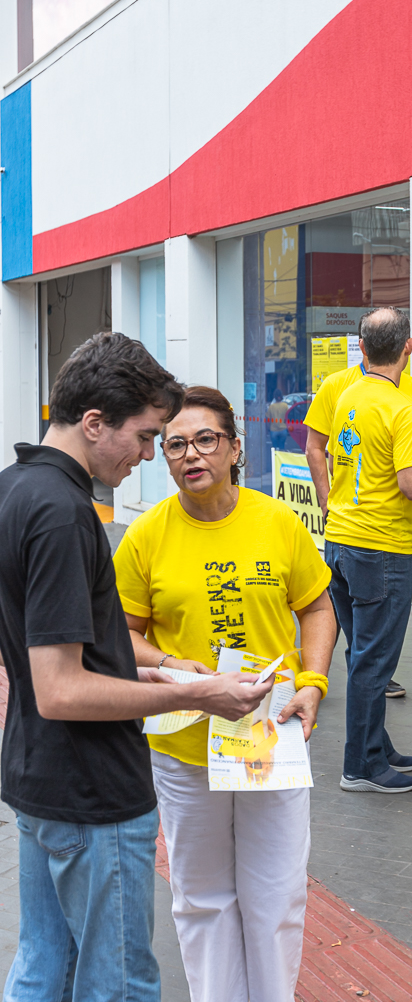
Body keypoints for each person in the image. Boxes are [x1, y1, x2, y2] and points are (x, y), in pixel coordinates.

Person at [0, 334, 272, 1002]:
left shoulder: (15, 488)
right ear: (94, 422)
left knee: (44, 967)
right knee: (117, 983)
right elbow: (60, 689)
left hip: (38, 777)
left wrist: (140, 673)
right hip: (92, 794)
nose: (153, 456)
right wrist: (203, 694)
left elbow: (45, 647)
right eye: (147, 437)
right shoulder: (63, 511)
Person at [115, 385, 337, 1002]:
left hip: (271, 742)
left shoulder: (278, 523)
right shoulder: (147, 535)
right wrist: (164, 660)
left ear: (235, 448)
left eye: (206, 440)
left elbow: (318, 607)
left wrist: (314, 683)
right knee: (202, 899)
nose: (192, 455)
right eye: (176, 444)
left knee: (277, 898)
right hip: (184, 748)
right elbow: (119, 635)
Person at [324, 308, 412, 793]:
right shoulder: (404, 406)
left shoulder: (348, 396)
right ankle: (360, 766)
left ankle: (376, 747)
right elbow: (411, 484)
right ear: (408, 347)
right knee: (373, 661)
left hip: (339, 541)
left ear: (361, 348)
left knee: (362, 652)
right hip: (379, 548)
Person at [305, 310, 412, 700]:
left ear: (363, 345)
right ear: (407, 347)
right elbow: (316, 446)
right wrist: (326, 496)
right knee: (368, 644)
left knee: (367, 644)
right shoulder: (338, 387)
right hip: (368, 539)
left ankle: (373, 739)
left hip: (378, 533)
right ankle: (363, 751)